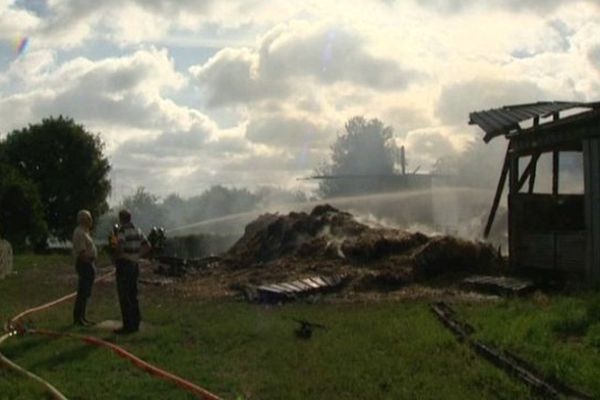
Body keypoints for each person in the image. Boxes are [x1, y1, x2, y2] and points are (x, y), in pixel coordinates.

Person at [113, 209, 150, 334]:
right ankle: (136, 322)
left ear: (121, 219)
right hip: (134, 265)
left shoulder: (122, 231)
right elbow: (148, 246)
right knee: (133, 294)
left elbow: (119, 247)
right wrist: (137, 256)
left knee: (124, 295)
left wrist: (119, 255)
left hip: (124, 265)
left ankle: (128, 325)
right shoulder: (137, 230)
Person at [72, 210, 97, 326]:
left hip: (88, 263)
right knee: (83, 291)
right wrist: (88, 263)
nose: (91, 221)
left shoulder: (85, 232)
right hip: (84, 263)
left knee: (86, 292)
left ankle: (83, 316)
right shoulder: (79, 232)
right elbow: (82, 252)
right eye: (89, 218)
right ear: (84, 220)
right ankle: (78, 318)